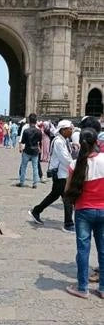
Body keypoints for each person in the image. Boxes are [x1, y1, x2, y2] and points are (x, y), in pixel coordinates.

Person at [65, 128, 104, 299]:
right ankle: (102, 288)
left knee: (83, 250)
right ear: (97, 142)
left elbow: (67, 191)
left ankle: (82, 287)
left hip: (83, 211)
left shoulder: (75, 164)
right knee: (103, 250)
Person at [29, 120, 74, 232]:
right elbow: (65, 159)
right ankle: (68, 224)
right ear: (63, 130)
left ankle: (37, 211)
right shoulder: (59, 141)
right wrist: (75, 166)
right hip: (60, 173)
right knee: (65, 197)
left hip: (63, 173)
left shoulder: (64, 140)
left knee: (57, 196)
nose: (71, 130)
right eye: (70, 128)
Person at [17, 113, 42, 189]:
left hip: (27, 150)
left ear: (29, 120)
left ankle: (22, 182)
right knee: (35, 168)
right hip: (35, 151)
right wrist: (39, 148)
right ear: (36, 121)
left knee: (24, 167)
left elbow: (23, 141)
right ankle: (35, 183)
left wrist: (21, 148)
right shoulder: (39, 131)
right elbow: (39, 141)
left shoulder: (26, 131)